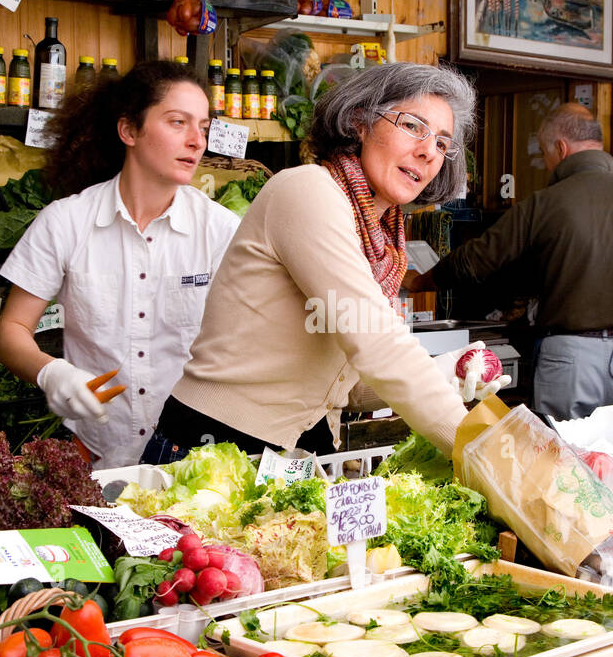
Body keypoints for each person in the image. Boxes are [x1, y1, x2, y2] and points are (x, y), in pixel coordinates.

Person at [141, 62, 480, 464]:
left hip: (299, 453)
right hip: (215, 446)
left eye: (442, 143)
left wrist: (448, 373)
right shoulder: (308, 191)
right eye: (412, 126)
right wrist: (481, 451)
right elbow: (376, 345)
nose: (428, 150)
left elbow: (346, 384)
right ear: (359, 122)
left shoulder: (382, 239)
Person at [0, 61, 240, 469]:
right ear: (129, 131)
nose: (197, 141)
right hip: (94, 456)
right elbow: (11, 331)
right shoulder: (65, 222)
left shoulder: (221, 231)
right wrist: (51, 373)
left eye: (204, 127)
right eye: (178, 122)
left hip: (190, 462)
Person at [409, 102, 613, 419]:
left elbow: (474, 262)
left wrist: (419, 281)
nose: (546, 164)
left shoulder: (544, 204)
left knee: (566, 461)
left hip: (571, 358)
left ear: (561, 148)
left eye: (544, 154)